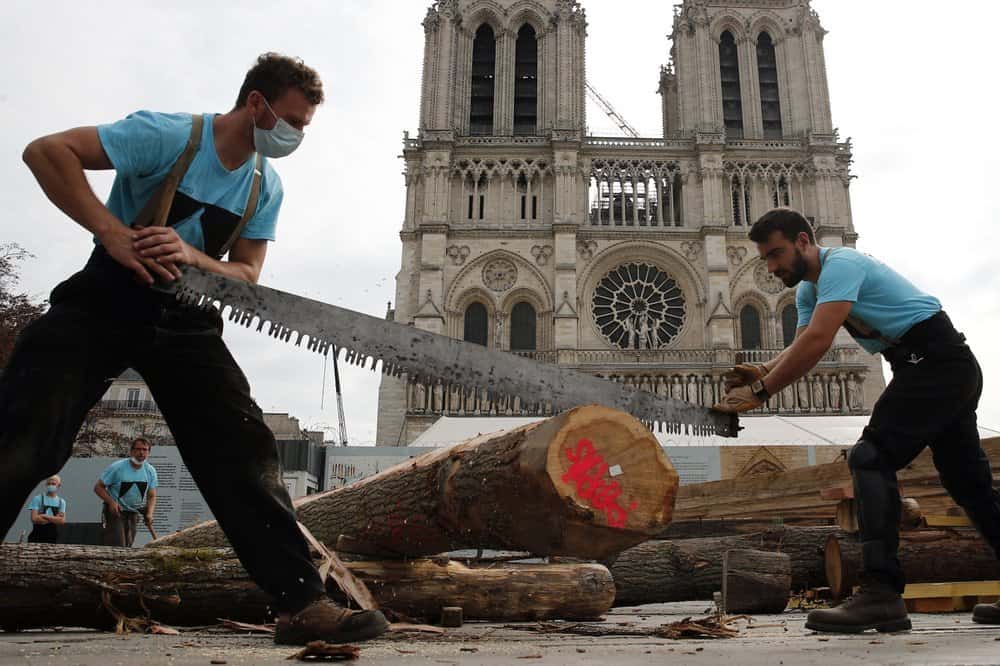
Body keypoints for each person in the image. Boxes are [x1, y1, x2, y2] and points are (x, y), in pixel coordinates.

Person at [2, 52, 387, 644]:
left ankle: (301, 602)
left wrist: (192, 258)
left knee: (243, 451)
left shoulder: (265, 183)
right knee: (25, 437)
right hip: (106, 296)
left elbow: (248, 273)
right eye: (291, 121)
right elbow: (46, 151)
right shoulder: (168, 135)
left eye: (303, 127)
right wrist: (112, 232)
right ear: (255, 103)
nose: (295, 136)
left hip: (186, 317)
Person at [715, 208, 1000, 632]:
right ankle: (882, 594)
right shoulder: (810, 292)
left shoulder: (842, 264)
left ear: (804, 242)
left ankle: (881, 593)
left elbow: (818, 340)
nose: (772, 267)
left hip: (936, 362)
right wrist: (762, 370)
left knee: (870, 456)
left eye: (776, 254)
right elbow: (802, 345)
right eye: (766, 259)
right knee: (969, 485)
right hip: (931, 366)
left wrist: (763, 391)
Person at [95, 437, 158, 547]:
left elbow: (151, 496)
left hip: (133, 513)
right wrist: (111, 502)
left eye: (145, 450)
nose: (141, 452)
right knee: (117, 545)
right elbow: (98, 487)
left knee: (128, 545)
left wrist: (149, 513)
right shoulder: (117, 467)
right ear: (132, 451)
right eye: (138, 449)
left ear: (148, 452)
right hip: (116, 512)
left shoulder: (150, 471)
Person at [26, 475, 66, 543]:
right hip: (37, 535)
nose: (51, 486)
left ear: (59, 485)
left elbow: (61, 521)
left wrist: (44, 516)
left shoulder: (61, 502)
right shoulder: (37, 499)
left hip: (53, 537)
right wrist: (54, 519)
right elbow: (34, 519)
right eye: (49, 484)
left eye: (53, 484)